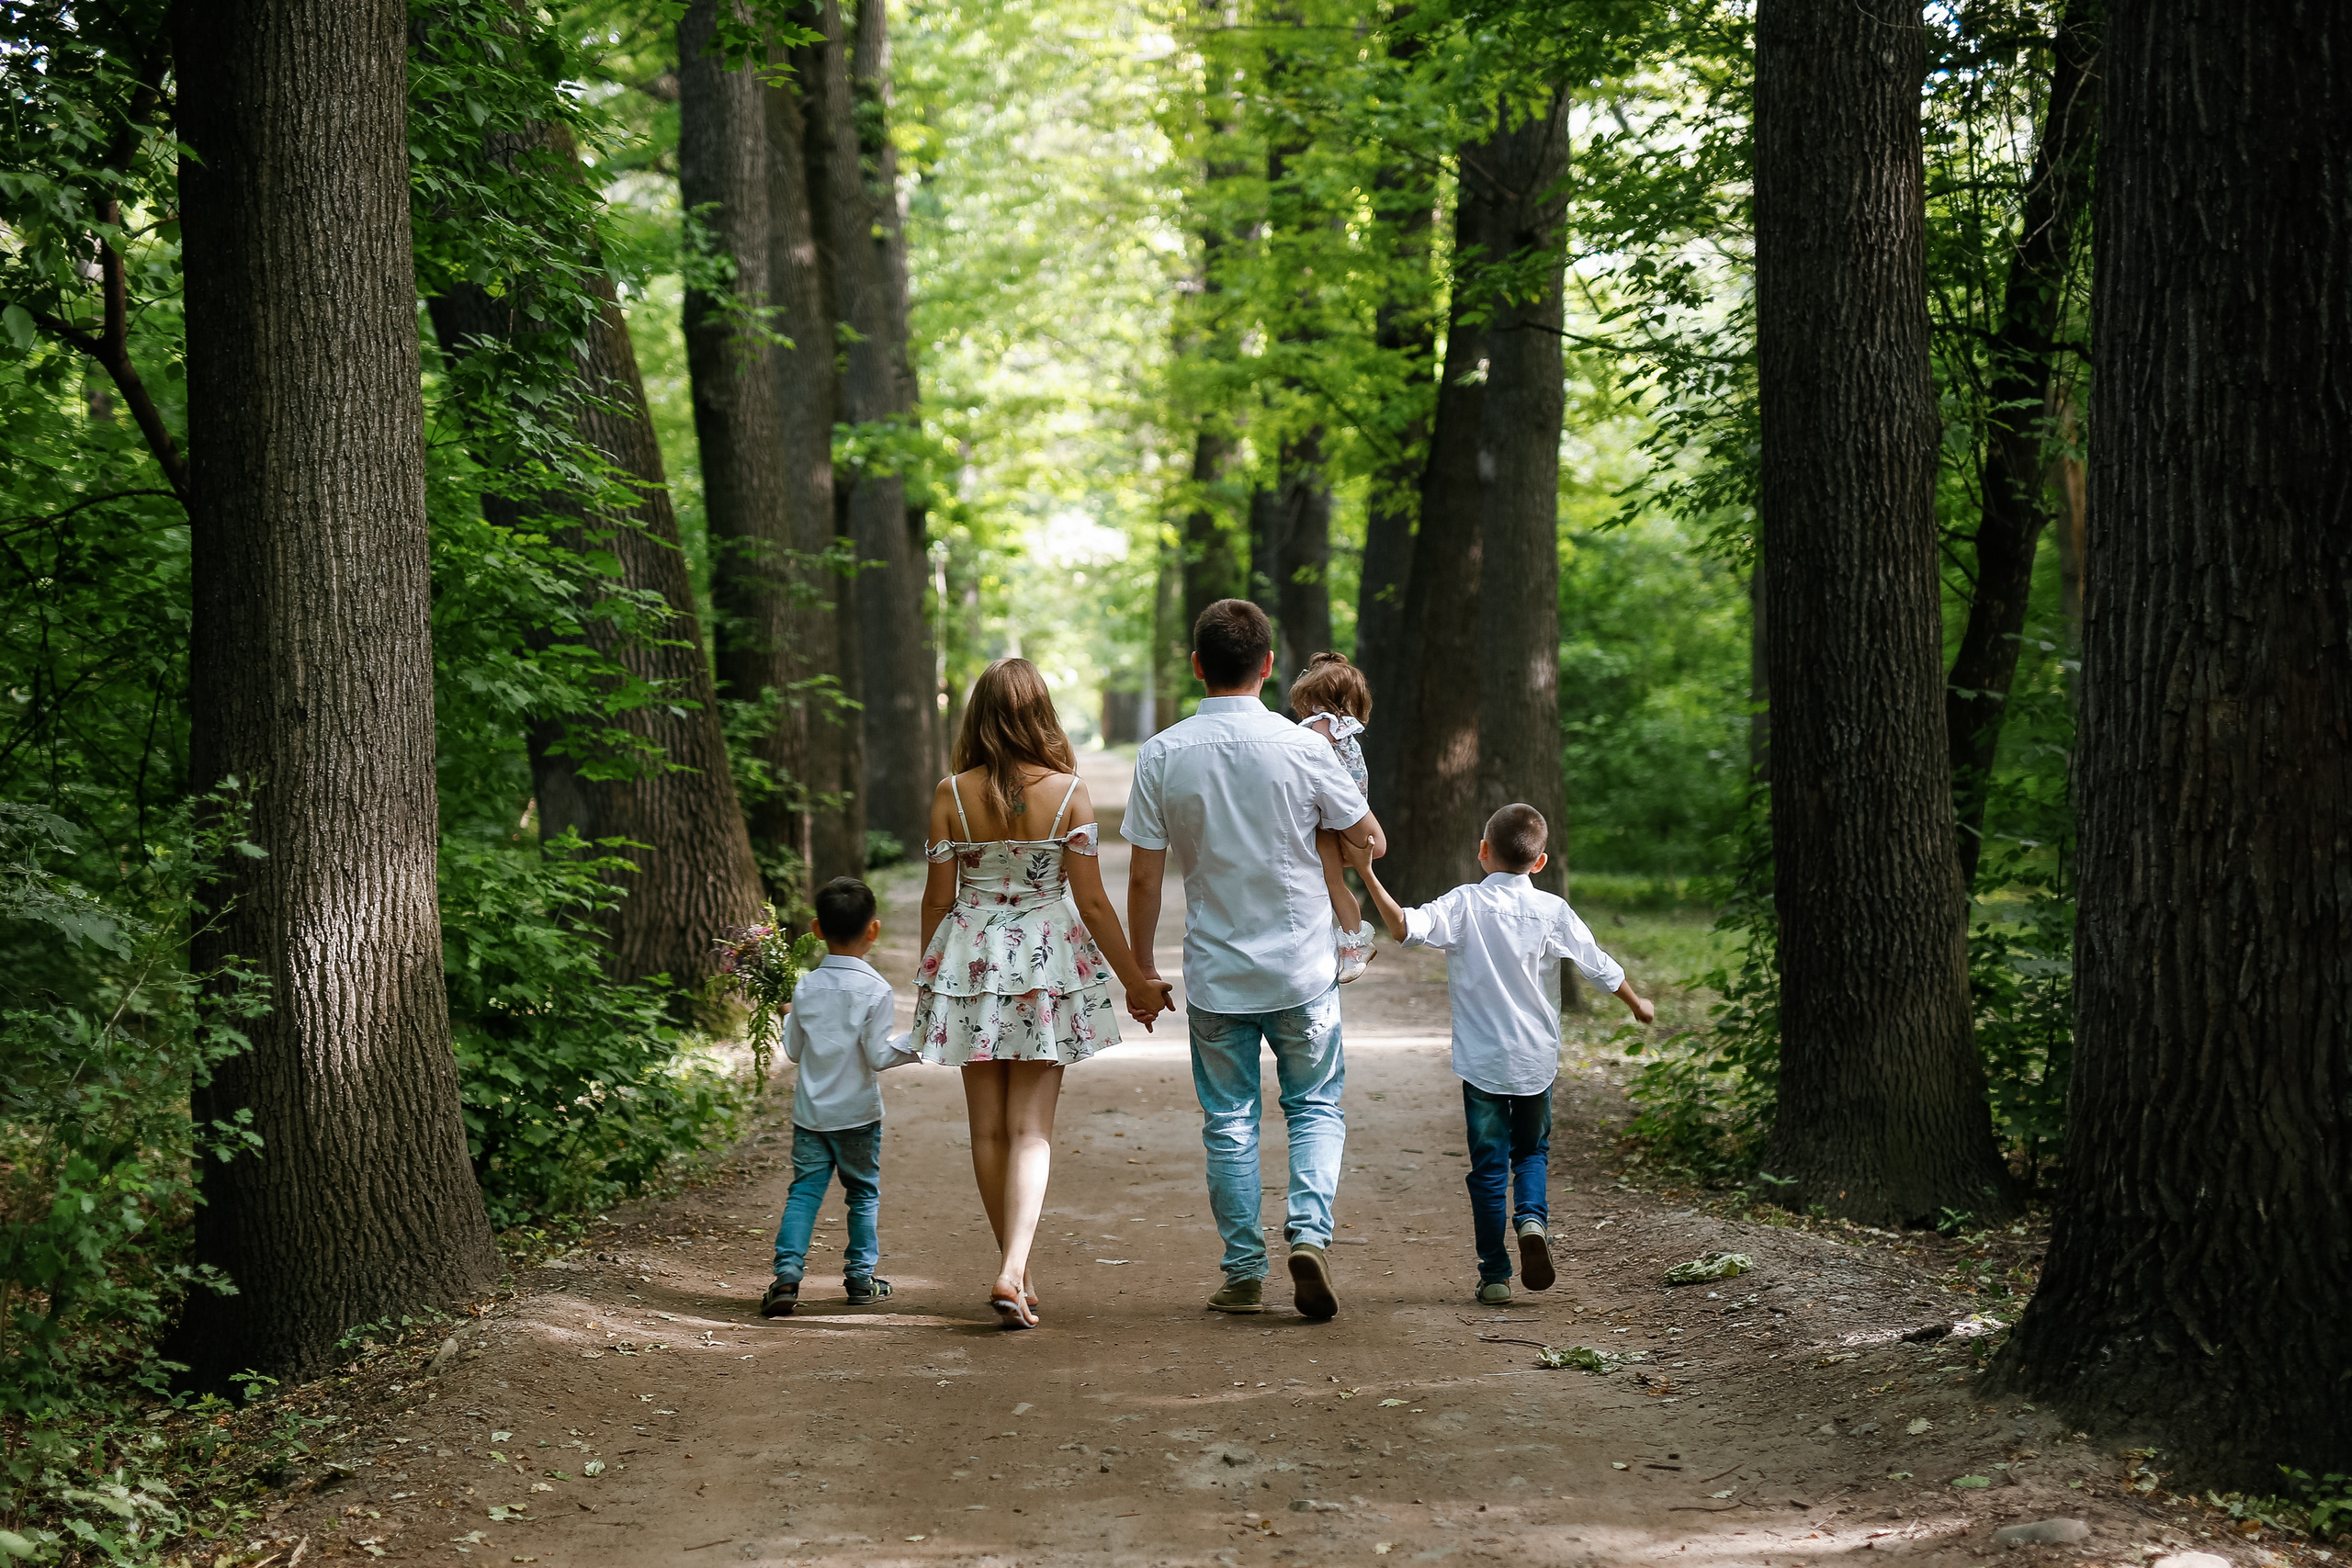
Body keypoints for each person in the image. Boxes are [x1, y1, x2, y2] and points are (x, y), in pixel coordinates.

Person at [1125, 599, 1383, 1320]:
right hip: (1303, 968)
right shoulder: (1307, 749)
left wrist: (1142, 972)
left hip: (1215, 974)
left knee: (1230, 1120)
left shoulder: (1163, 753)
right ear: (1269, 667)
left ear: (1198, 665)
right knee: (1316, 1105)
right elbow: (1369, 835)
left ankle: (1242, 1272)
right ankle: (1309, 1233)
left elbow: (1145, 877)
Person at [913, 658, 1173, 1329]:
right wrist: (1135, 981)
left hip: (970, 958)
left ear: (978, 714)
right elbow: (1090, 899)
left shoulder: (950, 792)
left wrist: (929, 978)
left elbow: (939, 899)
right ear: (1040, 714)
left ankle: (1015, 1268)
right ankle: (1012, 1271)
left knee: (987, 1128)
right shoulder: (1068, 793)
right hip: (1045, 962)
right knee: (1032, 1128)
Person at [1345, 804, 1655, 1304]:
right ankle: (1532, 1220)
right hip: (1535, 1059)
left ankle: (1494, 1275)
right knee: (1531, 1152)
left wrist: (1365, 871)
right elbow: (1599, 966)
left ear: (1483, 852)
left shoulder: (1465, 904)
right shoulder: (1552, 910)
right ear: (1540, 862)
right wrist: (1638, 1004)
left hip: (1483, 1063)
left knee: (1488, 1167)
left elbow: (1403, 927)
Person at [760, 876, 921, 1319]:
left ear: (816, 928)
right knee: (863, 1194)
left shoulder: (805, 988)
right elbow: (878, 1055)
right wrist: (919, 1044)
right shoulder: (876, 990)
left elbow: (793, 1051)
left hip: (811, 1115)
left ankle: (787, 1279)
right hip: (857, 1116)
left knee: (804, 1194)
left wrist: (791, 1015)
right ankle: (860, 1280)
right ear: (874, 930)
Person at [1287, 652, 1379, 984]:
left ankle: (1355, 944)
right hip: (1343, 813)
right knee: (1331, 880)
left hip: (1327, 816)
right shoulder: (1344, 727)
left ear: (1312, 697)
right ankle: (1349, 941)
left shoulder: (1318, 729)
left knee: (1332, 881)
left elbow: (1307, 763)